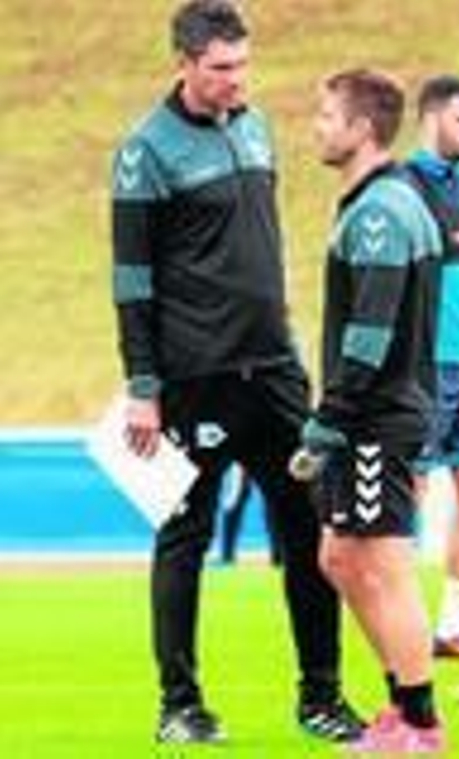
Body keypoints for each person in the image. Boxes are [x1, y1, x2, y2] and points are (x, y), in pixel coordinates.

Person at [109, 0, 359, 743]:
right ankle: (179, 706)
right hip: (193, 380)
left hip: (276, 372)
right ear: (184, 63)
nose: (237, 81)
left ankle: (321, 697)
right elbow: (131, 282)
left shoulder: (255, 127)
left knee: (311, 532)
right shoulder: (145, 152)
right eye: (221, 69)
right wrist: (144, 387)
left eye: (243, 65)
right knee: (182, 537)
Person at [303, 66, 447, 752]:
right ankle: (400, 703)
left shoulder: (382, 212)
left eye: (327, 115)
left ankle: (419, 724)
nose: (317, 126)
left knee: (385, 564)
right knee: (338, 557)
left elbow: (370, 330)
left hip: (375, 417)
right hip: (374, 412)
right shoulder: (381, 201)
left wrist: (329, 416)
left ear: (363, 128)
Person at [403, 74, 459, 660]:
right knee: (405, 498)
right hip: (421, 370)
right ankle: (401, 626)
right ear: (432, 119)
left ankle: (452, 626)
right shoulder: (401, 188)